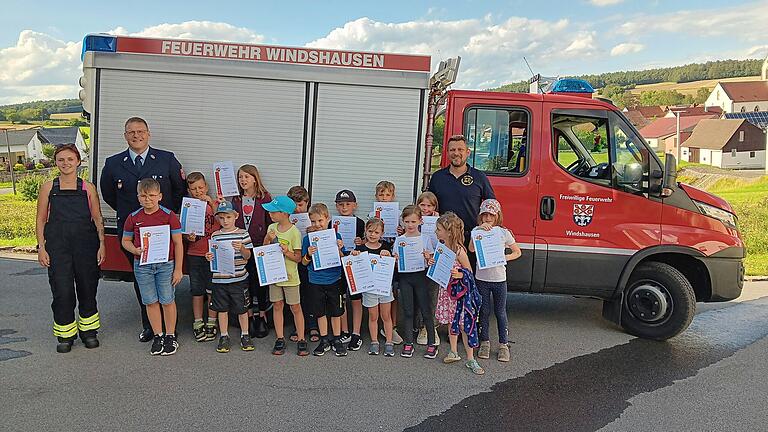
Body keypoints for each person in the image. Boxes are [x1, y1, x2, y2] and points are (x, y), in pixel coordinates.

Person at [100, 117, 185, 343]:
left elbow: (179, 190)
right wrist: (131, 217)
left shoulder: (166, 159)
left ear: (148, 133)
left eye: (140, 131)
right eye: (131, 132)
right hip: (133, 234)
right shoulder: (113, 163)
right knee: (142, 279)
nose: (136, 136)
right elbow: (109, 194)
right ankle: (149, 326)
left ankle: (169, 330)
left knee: (166, 282)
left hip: (163, 235)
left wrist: (168, 215)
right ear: (125, 135)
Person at [35, 144, 105, 353]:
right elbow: (40, 219)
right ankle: (65, 334)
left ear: (78, 162)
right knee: (62, 291)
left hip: (86, 245)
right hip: (58, 247)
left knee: (87, 288)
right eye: (61, 160)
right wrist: (41, 247)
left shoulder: (88, 187)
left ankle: (89, 332)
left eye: (70, 159)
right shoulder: (48, 187)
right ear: (56, 162)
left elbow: (97, 218)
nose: (66, 163)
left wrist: (102, 245)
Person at [121, 178, 184, 356]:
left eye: (152, 195)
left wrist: (178, 269)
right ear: (138, 197)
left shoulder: (169, 216)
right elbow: (125, 241)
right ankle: (158, 335)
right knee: (150, 301)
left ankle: (170, 336)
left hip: (166, 264)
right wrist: (135, 249)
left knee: (167, 300)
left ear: (160, 196)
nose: (147, 199)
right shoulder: (133, 217)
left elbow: (178, 243)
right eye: (143, 195)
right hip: (143, 265)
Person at [427, 134, 496, 265]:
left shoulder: (479, 177)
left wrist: (490, 227)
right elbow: (429, 206)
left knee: (469, 278)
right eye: (452, 150)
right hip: (445, 238)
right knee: (445, 280)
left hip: (471, 238)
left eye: (460, 150)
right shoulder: (438, 177)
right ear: (447, 153)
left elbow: (491, 205)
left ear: (467, 152)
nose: (456, 153)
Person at [470, 199, 521, 362]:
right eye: (484, 215)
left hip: (499, 278)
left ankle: (503, 345)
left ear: (497, 215)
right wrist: (477, 230)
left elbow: (517, 252)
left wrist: (504, 257)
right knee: (483, 311)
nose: (487, 218)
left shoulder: (503, 232)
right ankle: (484, 342)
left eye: (491, 215)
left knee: (500, 312)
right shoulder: (476, 231)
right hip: (482, 278)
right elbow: (471, 248)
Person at [433, 212, 484, 375]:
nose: (436, 231)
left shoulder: (459, 250)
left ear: (449, 231)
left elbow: (469, 271)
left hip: (460, 295)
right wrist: (431, 261)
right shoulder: (441, 246)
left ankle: (470, 358)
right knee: (450, 321)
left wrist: (461, 274)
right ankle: (453, 351)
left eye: (439, 229)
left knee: (464, 325)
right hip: (447, 292)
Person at [206, 201, 255, 353]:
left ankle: (245, 335)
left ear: (236, 216)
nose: (225, 221)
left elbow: (248, 256)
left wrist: (242, 248)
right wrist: (209, 256)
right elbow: (213, 256)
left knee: (242, 308)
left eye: (228, 217)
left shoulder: (243, 234)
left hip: (238, 278)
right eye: (221, 218)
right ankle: (224, 336)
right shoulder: (215, 235)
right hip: (220, 279)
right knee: (222, 309)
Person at [262, 196, 309, 356]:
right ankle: (280, 337)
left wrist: (286, 251)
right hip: (274, 275)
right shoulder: (271, 228)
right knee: (277, 305)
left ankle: (302, 338)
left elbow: (298, 258)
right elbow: (264, 250)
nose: (270, 214)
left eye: (273, 212)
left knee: (295, 307)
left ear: (284, 213)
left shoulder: (294, 232)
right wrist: (268, 239)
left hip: (290, 276)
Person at [230, 164, 272, 336]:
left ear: (255, 179)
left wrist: (266, 244)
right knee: (243, 282)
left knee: (259, 282)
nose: (243, 180)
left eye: (246, 176)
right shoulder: (236, 199)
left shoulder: (265, 198)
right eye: (240, 177)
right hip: (241, 246)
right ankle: (247, 314)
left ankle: (261, 315)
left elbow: (270, 223)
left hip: (259, 246)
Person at [301, 203, 347, 357]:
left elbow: (343, 259)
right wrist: (308, 254)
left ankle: (337, 339)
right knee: (320, 313)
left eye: (320, 221)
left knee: (335, 312)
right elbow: (303, 262)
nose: (317, 225)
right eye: (313, 221)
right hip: (315, 280)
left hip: (334, 279)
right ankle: (324, 339)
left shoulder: (336, 236)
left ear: (327, 219)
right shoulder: (308, 239)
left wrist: (340, 249)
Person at [392, 205, 438, 359]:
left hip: (421, 277)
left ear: (420, 221)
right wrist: (396, 260)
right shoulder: (399, 240)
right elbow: (395, 262)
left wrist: (427, 258)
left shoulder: (425, 239)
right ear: (402, 222)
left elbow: (432, 261)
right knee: (408, 310)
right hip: (405, 278)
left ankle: (432, 343)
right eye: (407, 222)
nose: (410, 225)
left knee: (426, 310)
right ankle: (409, 342)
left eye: (413, 221)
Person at [184, 172, 220, 342]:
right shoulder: (188, 206)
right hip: (194, 253)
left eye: (200, 187)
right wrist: (187, 237)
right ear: (189, 191)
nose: (198, 191)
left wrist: (212, 203)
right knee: (197, 290)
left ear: (206, 187)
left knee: (212, 289)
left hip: (213, 253)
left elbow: (222, 222)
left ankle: (212, 321)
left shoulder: (215, 204)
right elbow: (182, 232)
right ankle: (198, 322)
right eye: (193, 189)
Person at [351, 218, 394, 356]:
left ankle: (389, 342)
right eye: (370, 231)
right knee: (373, 316)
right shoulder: (360, 249)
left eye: (376, 232)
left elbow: (392, 263)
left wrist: (389, 255)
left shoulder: (386, 247)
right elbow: (354, 265)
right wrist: (354, 255)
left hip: (384, 288)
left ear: (382, 233)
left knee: (386, 315)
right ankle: (374, 341)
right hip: (369, 289)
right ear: (365, 231)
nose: (372, 234)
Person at [331, 189, 366, 350]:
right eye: (340, 204)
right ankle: (344, 331)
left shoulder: (360, 223)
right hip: (337, 263)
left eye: (347, 204)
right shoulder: (331, 222)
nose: (344, 207)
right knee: (341, 298)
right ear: (336, 206)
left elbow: (365, 244)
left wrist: (360, 242)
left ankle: (356, 333)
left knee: (356, 298)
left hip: (353, 263)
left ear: (355, 205)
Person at [371, 180, 403, 345]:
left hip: (391, 252)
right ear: (376, 196)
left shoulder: (398, 215)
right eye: (381, 194)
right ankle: (374, 324)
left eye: (387, 195)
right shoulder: (372, 214)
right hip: (376, 253)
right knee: (377, 289)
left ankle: (392, 326)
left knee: (392, 291)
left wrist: (400, 231)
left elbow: (405, 235)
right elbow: (368, 234)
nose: (384, 198)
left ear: (393, 196)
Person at [287, 185, 320, 343]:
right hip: (292, 259)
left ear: (307, 203)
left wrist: (314, 232)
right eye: (294, 206)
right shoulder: (285, 219)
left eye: (301, 205)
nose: (298, 209)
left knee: (310, 292)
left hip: (308, 259)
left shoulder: (313, 219)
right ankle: (297, 326)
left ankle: (313, 324)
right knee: (296, 294)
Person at [414, 191, 441, 347]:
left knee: (432, 294)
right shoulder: (413, 218)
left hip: (433, 261)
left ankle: (429, 326)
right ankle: (418, 325)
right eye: (422, 204)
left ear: (434, 207)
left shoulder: (438, 220)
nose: (425, 208)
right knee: (418, 294)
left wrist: (436, 221)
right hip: (417, 262)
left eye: (429, 205)